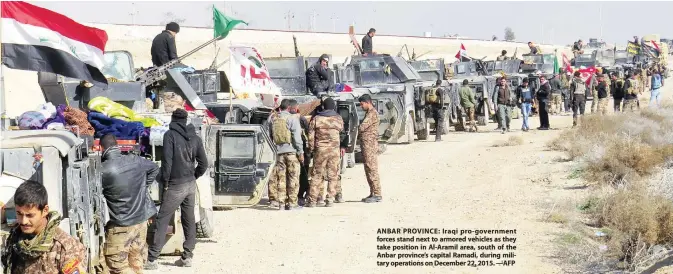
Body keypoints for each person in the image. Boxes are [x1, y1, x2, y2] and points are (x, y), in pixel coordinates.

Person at [146, 109, 208, 269]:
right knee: (189, 220)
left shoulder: (170, 135)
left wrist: (165, 182)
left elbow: (167, 162)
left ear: (173, 119)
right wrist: (194, 176)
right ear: (186, 120)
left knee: (162, 219)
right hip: (190, 184)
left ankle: (152, 259)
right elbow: (204, 164)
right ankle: (187, 257)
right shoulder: (195, 137)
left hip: (175, 184)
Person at [100, 134, 159, 274]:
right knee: (136, 260)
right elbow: (154, 168)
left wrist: (142, 187)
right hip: (140, 222)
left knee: (117, 264)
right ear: (117, 145)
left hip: (121, 225)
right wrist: (143, 187)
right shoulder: (136, 160)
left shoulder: (103, 169)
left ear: (101, 148)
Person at [1, 181, 88, 274]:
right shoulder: (16, 237)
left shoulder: (65, 246)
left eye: (30, 215)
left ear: (45, 210)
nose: (23, 221)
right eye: (19, 214)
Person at [306, 98, 344, 207]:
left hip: (320, 151)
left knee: (317, 175)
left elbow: (310, 136)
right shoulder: (338, 119)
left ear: (323, 106)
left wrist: (312, 149)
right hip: (334, 151)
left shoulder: (317, 119)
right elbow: (342, 131)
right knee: (333, 175)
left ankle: (312, 200)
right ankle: (330, 199)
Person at [269, 99, 304, 210]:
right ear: (289, 108)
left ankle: (281, 203)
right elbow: (297, 138)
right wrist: (300, 152)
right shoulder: (292, 119)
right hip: (291, 153)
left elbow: (270, 136)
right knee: (293, 177)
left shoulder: (273, 119)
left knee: (281, 178)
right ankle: (293, 203)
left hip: (279, 153)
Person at [357, 94, 382, 203]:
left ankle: (377, 193)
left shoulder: (372, 114)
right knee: (368, 168)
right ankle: (373, 192)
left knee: (372, 168)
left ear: (368, 102)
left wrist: (356, 129)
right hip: (367, 144)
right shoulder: (369, 113)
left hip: (370, 145)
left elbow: (362, 127)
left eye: (362, 104)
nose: (361, 106)